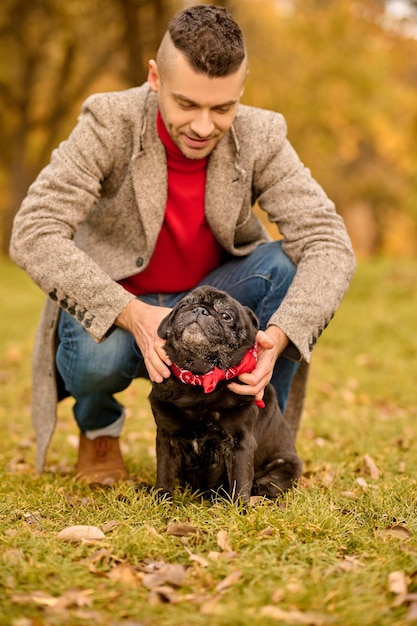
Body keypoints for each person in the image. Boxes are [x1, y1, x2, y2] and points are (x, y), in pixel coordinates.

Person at [10, 4, 355, 486]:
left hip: (215, 300)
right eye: (187, 104)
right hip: (122, 303)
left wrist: (277, 339)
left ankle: (253, 432)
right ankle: (100, 430)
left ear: (241, 89)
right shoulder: (108, 121)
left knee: (283, 264)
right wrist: (130, 312)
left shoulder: (262, 133)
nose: (203, 126)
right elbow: (34, 230)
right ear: (155, 78)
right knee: (97, 357)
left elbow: (328, 240)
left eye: (222, 107)